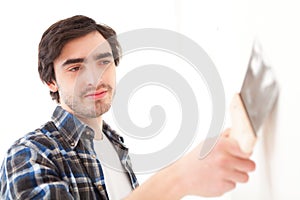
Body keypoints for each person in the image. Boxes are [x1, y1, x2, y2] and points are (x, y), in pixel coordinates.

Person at [0, 15, 255, 200]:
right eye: (76, 68)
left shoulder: (115, 146)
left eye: (103, 62)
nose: (95, 78)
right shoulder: (28, 154)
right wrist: (180, 178)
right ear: (50, 81)